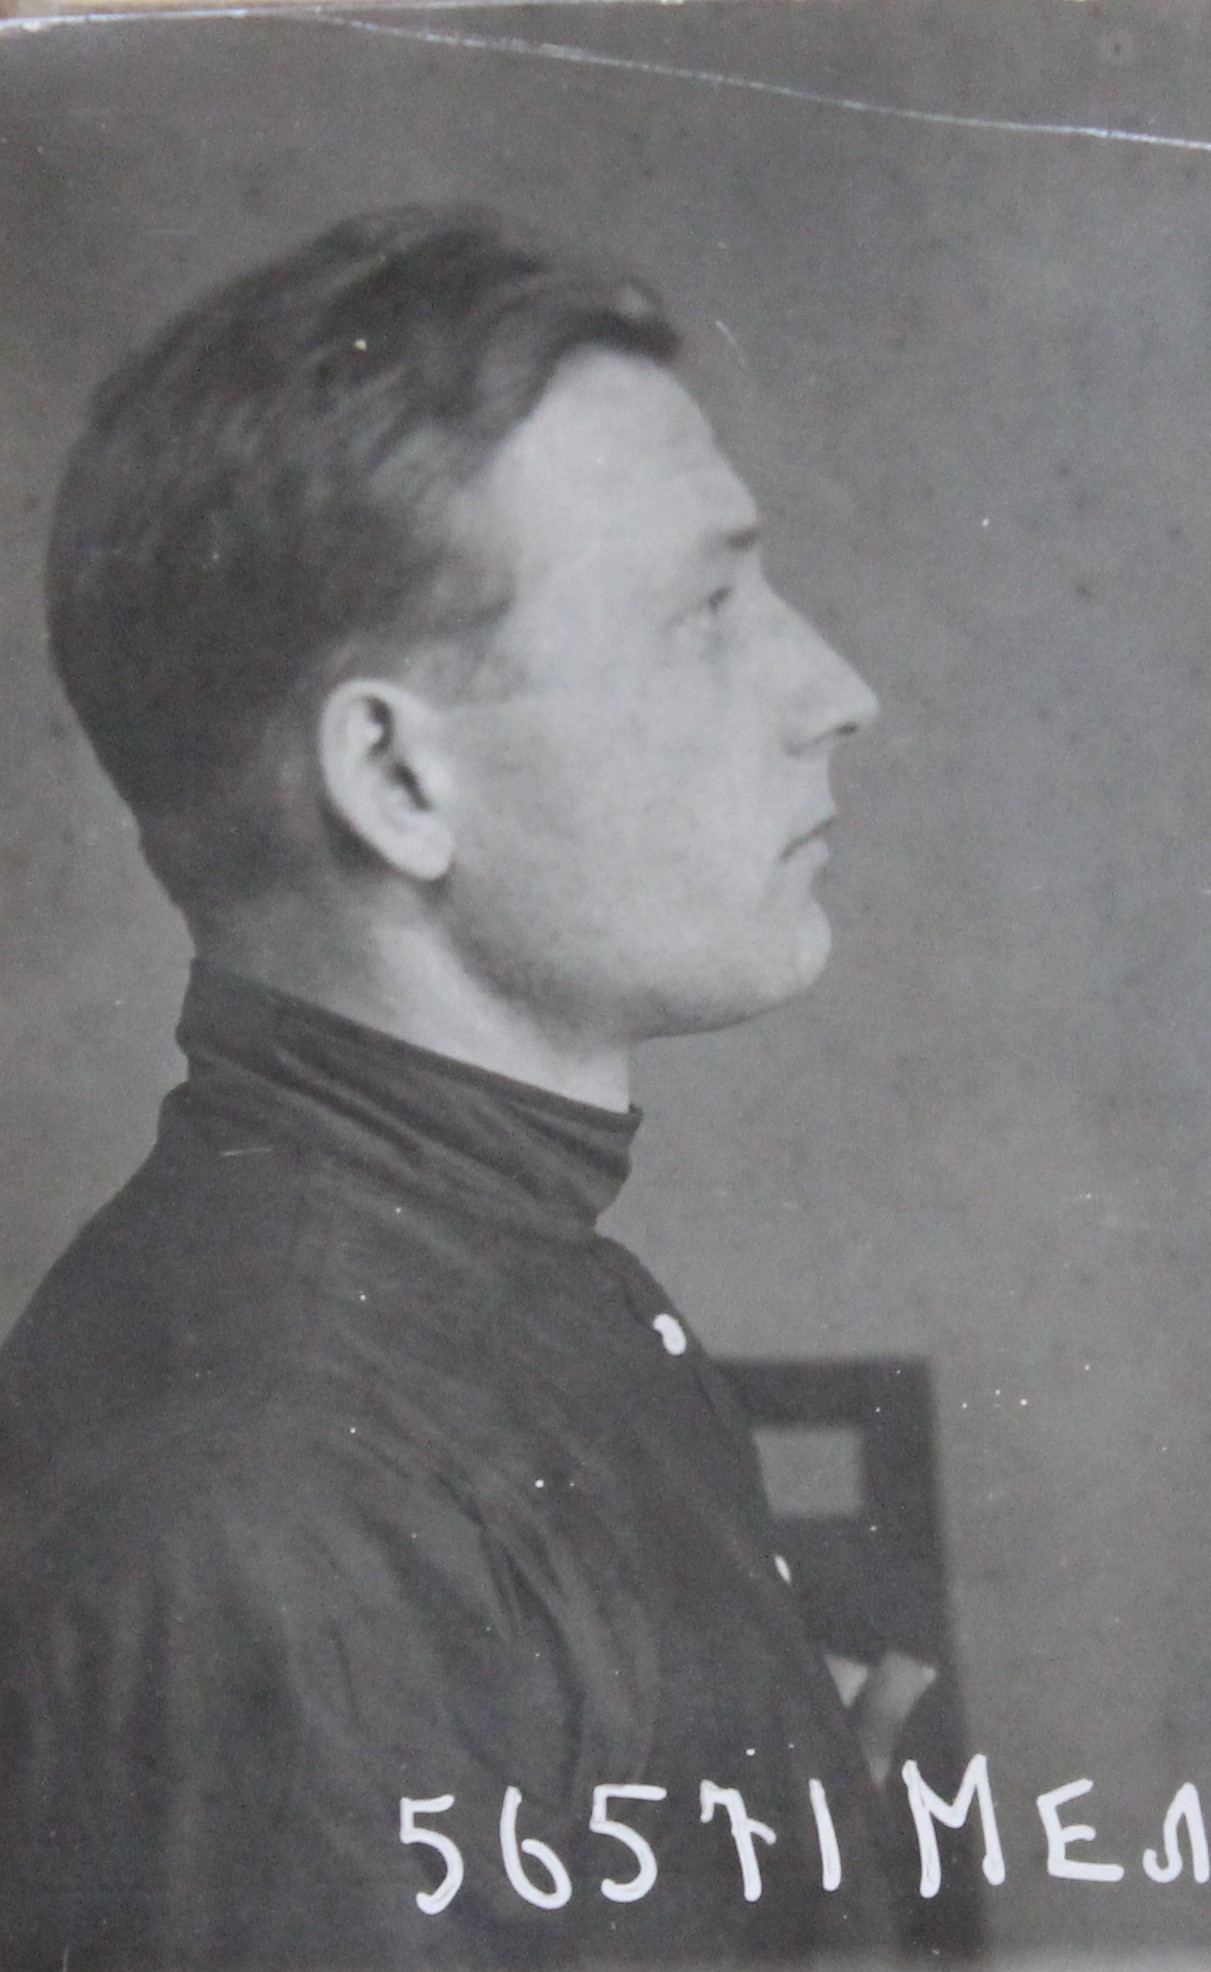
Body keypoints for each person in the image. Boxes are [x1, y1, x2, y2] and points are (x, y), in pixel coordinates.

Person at [0, 206, 903, 1967]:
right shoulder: (271, 1514)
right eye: (705, 612)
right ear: (399, 780)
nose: (836, 692)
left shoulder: (505, 1271)